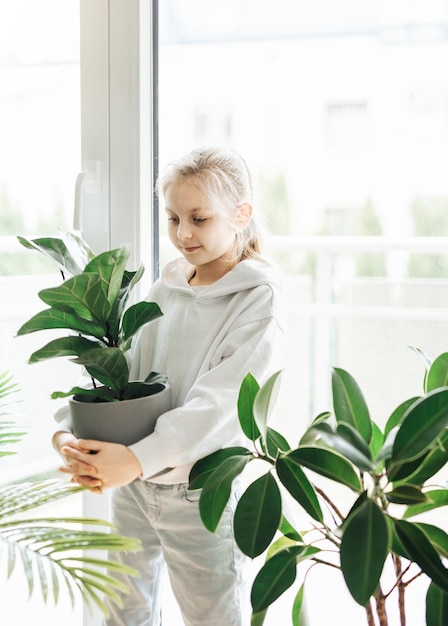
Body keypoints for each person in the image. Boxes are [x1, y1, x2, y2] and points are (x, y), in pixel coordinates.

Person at [52, 146, 285, 626]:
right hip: (134, 485)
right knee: (123, 612)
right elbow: (122, 371)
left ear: (241, 215)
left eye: (199, 218)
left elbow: (218, 407)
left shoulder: (258, 302)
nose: (183, 234)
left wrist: (136, 458)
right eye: (173, 217)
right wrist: (68, 432)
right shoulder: (165, 288)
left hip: (202, 493)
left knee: (211, 617)